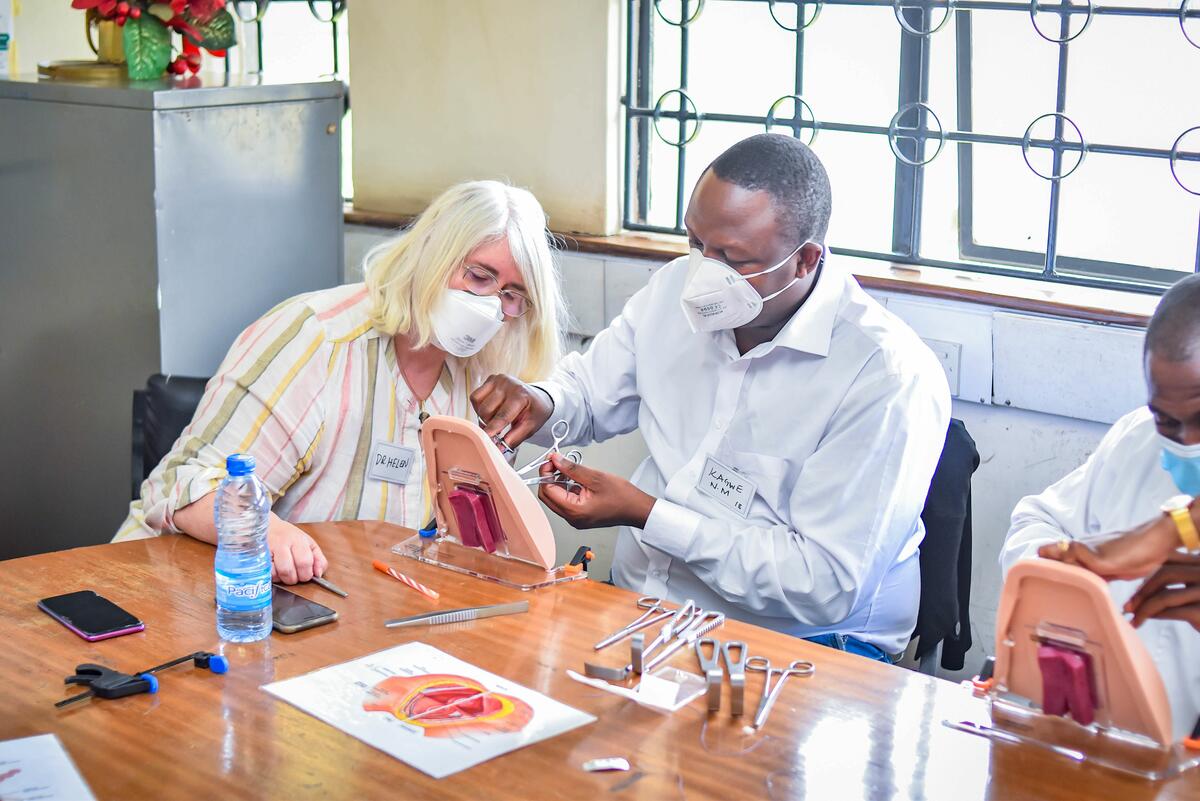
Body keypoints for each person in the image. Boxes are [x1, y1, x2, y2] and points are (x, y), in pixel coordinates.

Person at [471, 134, 951, 661]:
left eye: (734, 259)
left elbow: (823, 583)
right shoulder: (676, 289)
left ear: (806, 260)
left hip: (799, 647)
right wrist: (542, 402)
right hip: (643, 606)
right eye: (696, 244)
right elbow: (588, 393)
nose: (703, 275)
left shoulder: (885, 377)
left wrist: (649, 515)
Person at [114, 180, 566, 584]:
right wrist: (268, 530)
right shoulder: (317, 339)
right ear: (433, 255)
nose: (489, 305)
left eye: (510, 296)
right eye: (479, 276)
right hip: (187, 592)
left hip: (355, 613)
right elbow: (179, 486)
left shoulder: (480, 378)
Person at [1002, 273, 1200, 738]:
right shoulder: (1137, 440)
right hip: (1113, 753)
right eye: (1168, 422)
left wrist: (1168, 530)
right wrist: (1071, 580)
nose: (1188, 443)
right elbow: (1036, 522)